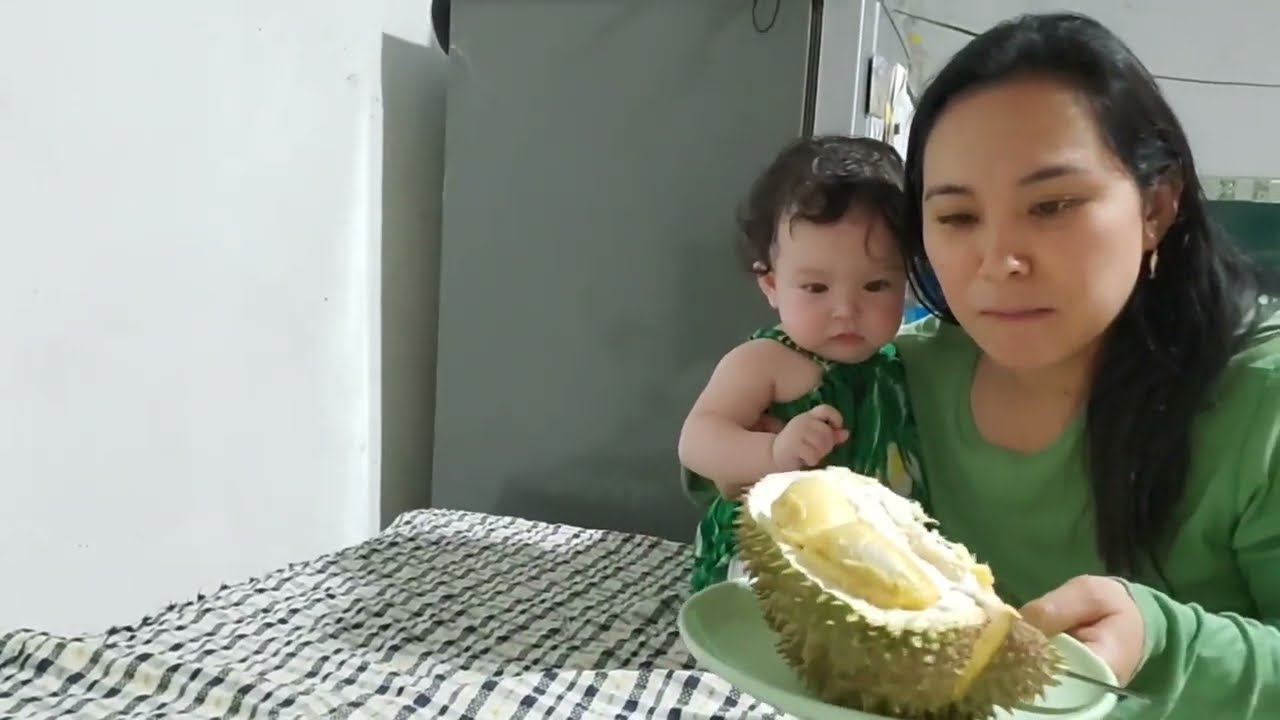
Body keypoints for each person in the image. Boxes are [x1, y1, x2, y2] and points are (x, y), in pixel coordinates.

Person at [891, 11, 1280, 719]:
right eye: (956, 217)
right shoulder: (902, 379)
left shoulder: (1264, 399)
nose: (999, 263)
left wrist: (1164, 641)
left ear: (1157, 206)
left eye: (1053, 205)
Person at [678, 135, 925, 593]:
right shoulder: (766, 361)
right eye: (816, 288)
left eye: (875, 286)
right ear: (771, 285)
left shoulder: (899, 364)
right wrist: (770, 454)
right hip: (769, 554)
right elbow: (697, 440)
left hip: (872, 560)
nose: (846, 310)